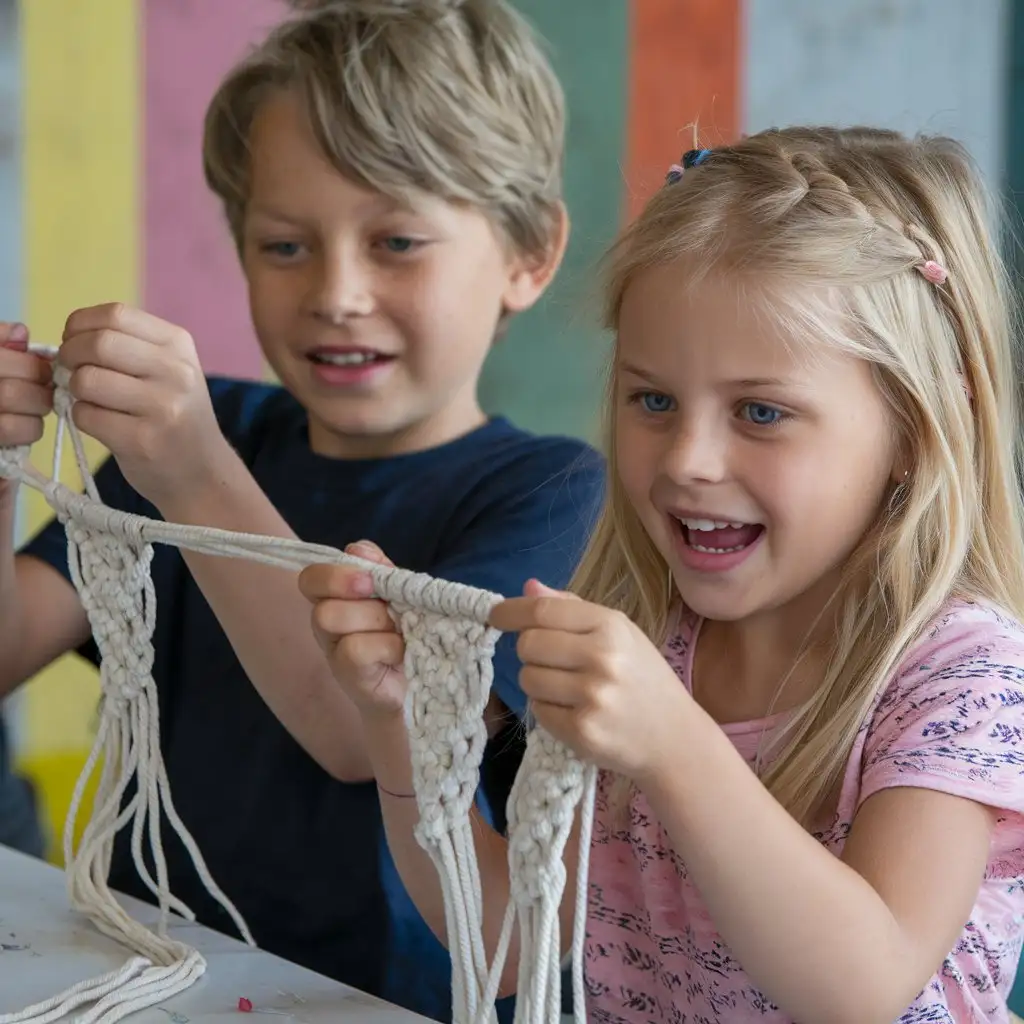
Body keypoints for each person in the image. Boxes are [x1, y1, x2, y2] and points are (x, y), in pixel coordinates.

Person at [300, 126, 1024, 1022]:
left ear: (916, 426)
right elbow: (511, 943)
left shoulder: (961, 677)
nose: (687, 460)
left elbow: (864, 986)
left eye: (761, 412)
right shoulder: (650, 641)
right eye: (653, 400)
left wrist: (674, 746)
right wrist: (407, 730)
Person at [0, 0, 603, 1019]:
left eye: (397, 241)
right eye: (285, 246)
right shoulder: (217, 428)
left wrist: (192, 470)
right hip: (162, 975)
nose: (337, 291)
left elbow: (359, 729)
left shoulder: (551, 491)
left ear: (526, 256)